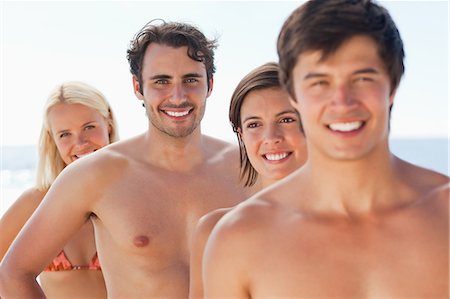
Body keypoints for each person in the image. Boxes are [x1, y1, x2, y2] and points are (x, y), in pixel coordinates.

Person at [203, 0, 449, 298]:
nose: (342, 102)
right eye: (320, 82)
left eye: (362, 78)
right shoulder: (239, 239)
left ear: (393, 85)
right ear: (294, 94)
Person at [0, 21, 253, 298]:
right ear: (138, 87)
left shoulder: (247, 168)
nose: (178, 96)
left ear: (210, 84)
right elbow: (14, 272)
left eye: (191, 79)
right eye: (161, 81)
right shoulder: (96, 175)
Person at [189, 62, 307, 298]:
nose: (271, 137)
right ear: (241, 134)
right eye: (254, 124)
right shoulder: (215, 230)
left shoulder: (357, 224)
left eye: (286, 120)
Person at [0, 81, 118, 298]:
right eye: (65, 134)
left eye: (89, 127)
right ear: (52, 139)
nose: (80, 142)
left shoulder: (133, 196)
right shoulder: (35, 203)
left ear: (108, 123)